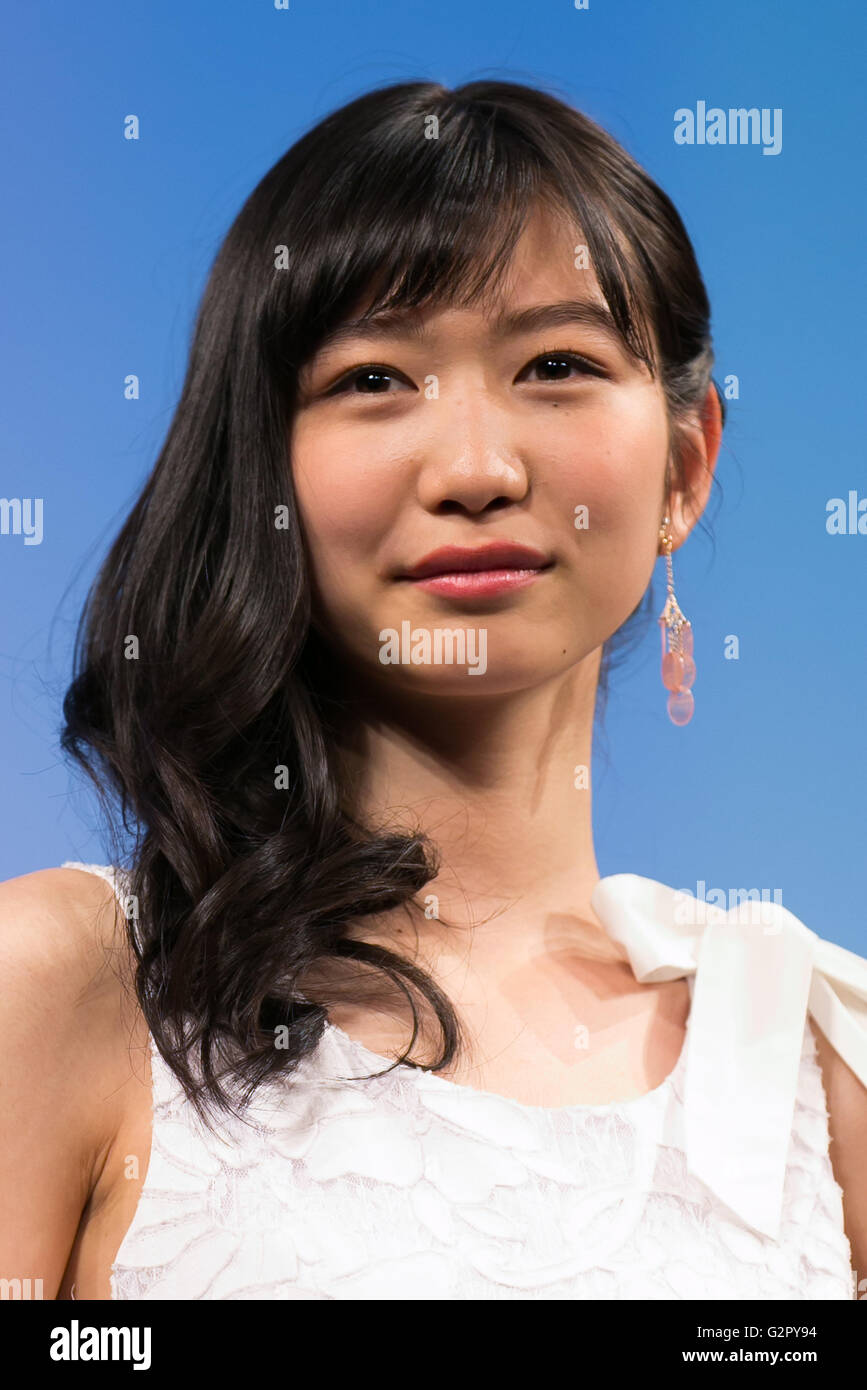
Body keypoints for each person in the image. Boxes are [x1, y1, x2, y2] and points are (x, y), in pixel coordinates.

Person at [2, 79, 866, 1301]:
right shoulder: (67, 986)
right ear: (263, 465)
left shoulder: (816, 1067)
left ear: (685, 465)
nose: (474, 467)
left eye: (557, 363)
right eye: (375, 380)